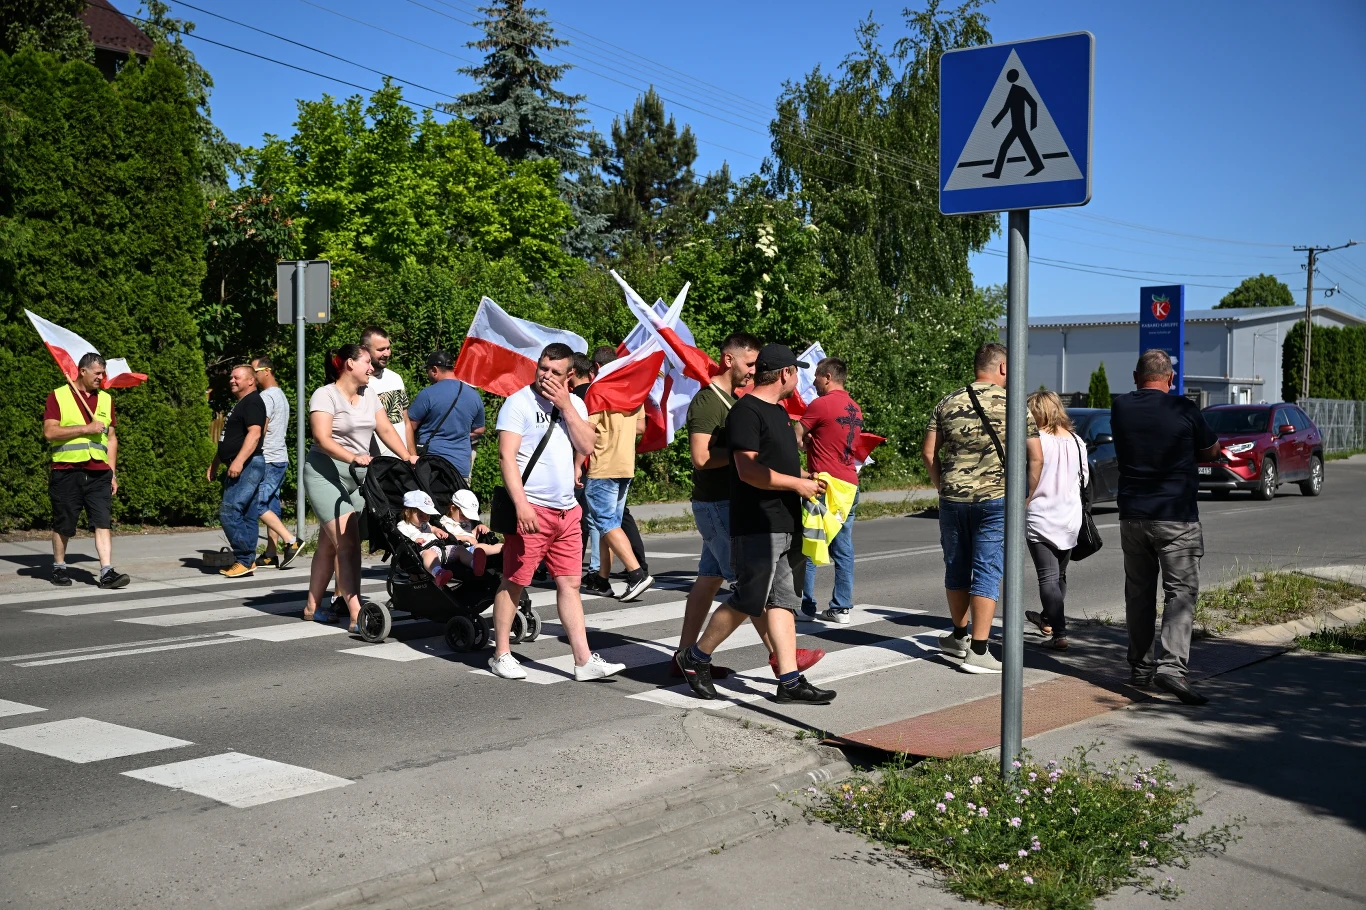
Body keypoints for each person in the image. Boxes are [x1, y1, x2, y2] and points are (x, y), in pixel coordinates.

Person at [674, 343, 836, 705]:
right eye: (797, 371)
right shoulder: (745, 412)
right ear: (784, 374)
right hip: (756, 521)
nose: (799, 378)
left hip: (784, 518)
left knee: (781, 603)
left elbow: (777, 464)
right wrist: (797, 484)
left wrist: (806, 475)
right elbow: (748, 470)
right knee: (749, 598)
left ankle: (790, 681)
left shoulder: (778, 413)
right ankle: (695, 657)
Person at [486, 344, 626, 682]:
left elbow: (587, 446)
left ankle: (582, 660)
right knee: (515, 581)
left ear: (569, 376)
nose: (546, 375)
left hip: (567, 512)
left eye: (554, 371)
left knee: (570, 584)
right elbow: (507, 458)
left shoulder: (574, 404)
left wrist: (566, 406)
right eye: (543, 367)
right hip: (530, 509)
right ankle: (501, 653)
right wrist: (521, 506)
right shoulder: (518, 403)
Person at [921, 342, 1042, 674]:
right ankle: (979, 650)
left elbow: (929, 453)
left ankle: (958, 636)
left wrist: (943, 486)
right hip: (996, 500)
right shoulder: (1015, 405)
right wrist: (1025, 497)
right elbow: (1036, 458)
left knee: (956, 567)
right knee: (987, 570)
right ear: (1002, 368)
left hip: (953, 501)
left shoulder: (947, 401)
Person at [1111, 350, 1221, 706]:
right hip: (1176, 515)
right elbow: (1211, 451)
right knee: (1180, 592)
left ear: (1135, 376)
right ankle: (1171, 669)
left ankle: (1141, 669)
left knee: (1139, 593)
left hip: (1132, 515)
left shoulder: (1120, 408)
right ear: (1170, 379)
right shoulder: (1185, 410)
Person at [302, 344, 416, 633]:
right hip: (325, 472)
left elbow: (386, 430)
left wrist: (408, 457)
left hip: (357, 474)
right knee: (349, 541)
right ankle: (356, 612)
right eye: (366, 362)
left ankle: (312, 607)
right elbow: (322, 438)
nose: (371, 368)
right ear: (349, 364)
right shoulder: (325, 395)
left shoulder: (369, 395)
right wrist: (352, 456)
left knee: (331, 542)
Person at [42, 352, 129, 589]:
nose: (102, 377)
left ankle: (107, 572)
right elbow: (50, 432)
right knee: (65, 523)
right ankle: (59, 568)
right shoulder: (58, 396)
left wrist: (112, 472)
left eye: (103, 373)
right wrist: (85, 428)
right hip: (67, 470)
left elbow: (111, 439)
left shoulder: (106, 400)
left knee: (102, 521)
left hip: (99, 473)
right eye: (98, 373)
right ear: (82, 371)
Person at [795, 356, 864, 624]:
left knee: (811, 542)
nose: (813, 383)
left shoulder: (820, 404)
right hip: (849, 486)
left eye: (816, 378)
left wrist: (804, 444)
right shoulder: (855, 408)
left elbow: (795, 435)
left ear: (827, 377)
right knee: (843, 546)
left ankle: (806, 605)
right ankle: (841, 607)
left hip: (824, 484)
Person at [582, 348, 654, 602]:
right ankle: (602, 580)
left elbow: (586, 434)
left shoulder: (598, 391)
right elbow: (641, 426)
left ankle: (636, 574)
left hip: (603, 467)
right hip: (626, 466)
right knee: (610, 524)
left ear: (597, 368)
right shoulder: (632, 390)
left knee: (606, 523)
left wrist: (575, 465)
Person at [1024, 390, 1088, 651]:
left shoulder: (1034, 440)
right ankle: (1048, 619)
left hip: (1041, 515)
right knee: (1059, 574)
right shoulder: (1076, 440)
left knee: (1047, 577)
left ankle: (1059, 633)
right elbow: (1085, 479)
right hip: (1070, 517)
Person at [206, 365, 269, 578]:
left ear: (251, 381)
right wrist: (215, 463)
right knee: (248, 514)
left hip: (248, 464)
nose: (232, 380)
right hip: (243, 464)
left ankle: (244, 559)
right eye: (231, 377)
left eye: (237, 377)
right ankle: (247, 560)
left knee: (230, 512)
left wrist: (239, 461)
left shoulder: (252, 402)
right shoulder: (241, 404)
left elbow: (254, 434)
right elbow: (229, 438)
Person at [250, 355, 302, 569]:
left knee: (258, 504)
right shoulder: (280, 395)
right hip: (279, 458)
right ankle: (271, 553)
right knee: (271, 505)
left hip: (269, 458)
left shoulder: (266, 397)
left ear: (266, 371)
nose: (252, 376)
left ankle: (291, 541)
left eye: (254, 371)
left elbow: (260, 429)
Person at [406, 349, 485, 480]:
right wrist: (461, 432)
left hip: (431, 467)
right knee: (457, 500)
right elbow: (479, 430)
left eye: (428, 370)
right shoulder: (474, 396)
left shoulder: (427, 394)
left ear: (434, 370)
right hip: (460, 468)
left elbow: (409, 426)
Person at [396, 489, 481, 587]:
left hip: (442, 549)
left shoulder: (425, 524)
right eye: (420, 515)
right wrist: (414, 541)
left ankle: (475, 564)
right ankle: (438, 573)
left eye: (427, 515)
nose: (425, 518)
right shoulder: (403, 526)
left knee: (459, 549)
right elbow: (402, 539)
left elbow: (432, 528)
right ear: (407, 513)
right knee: (429, 555)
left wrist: (437, 531)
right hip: (425, 551)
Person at [361, 326, 410, 459]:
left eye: (388, 348)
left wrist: (412, 456)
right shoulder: (360, 383)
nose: (387, 353)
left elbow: (406, 421)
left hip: (402, 462)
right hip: (375, 464)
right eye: (381, 349)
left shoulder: (395, 378)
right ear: (365, 348)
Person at [440, 489, 502, 564]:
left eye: (469, 517)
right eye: (463, 515)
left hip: (469, 549)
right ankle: (477, 563)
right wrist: (466, 538)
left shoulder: (466, 522)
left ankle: (505, 548)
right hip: (455, 550)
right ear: (452, 508)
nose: (466, 519)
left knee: (491, 546)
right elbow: (447, 537)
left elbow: (470, 535)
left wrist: (477, 529)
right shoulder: (446, 522)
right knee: (480, 548)